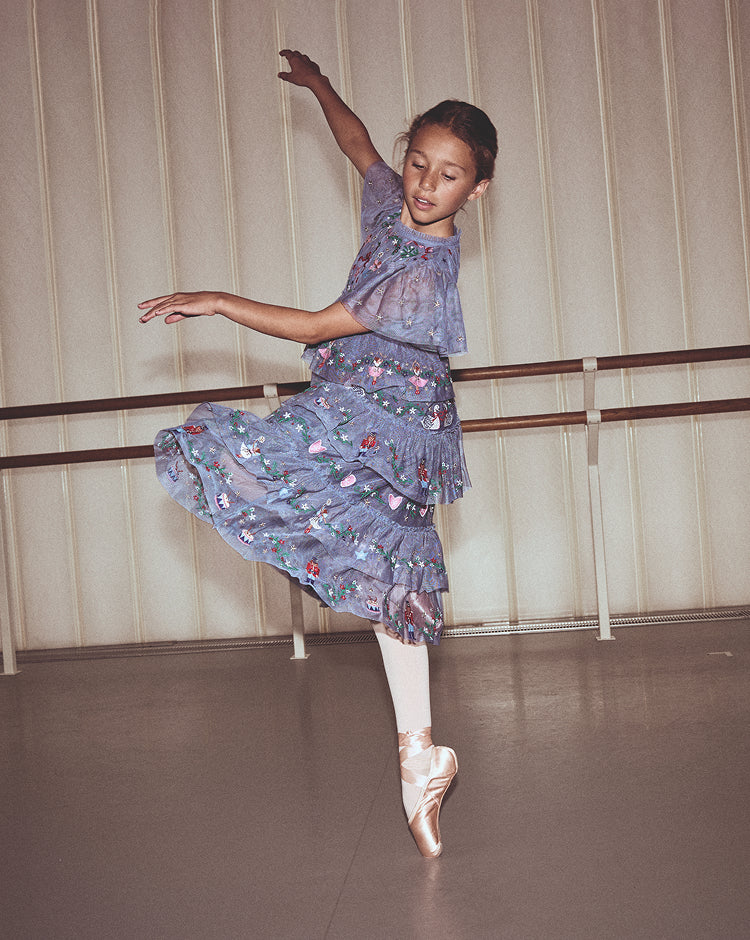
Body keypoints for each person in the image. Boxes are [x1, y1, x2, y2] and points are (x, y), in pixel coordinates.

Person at [138, 50, 497, 858]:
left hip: (394, 430)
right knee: (379, 581)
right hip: (352, 409)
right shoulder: (388, 206)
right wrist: (320, 86)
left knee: (390, 579)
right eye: (419, 165)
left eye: (448, 177)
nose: (423, 185)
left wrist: (217, 298)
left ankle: (418, 755)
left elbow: (310, 328)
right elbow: (359, 146)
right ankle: (420, 758)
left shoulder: (422, 268)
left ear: (475, 190)